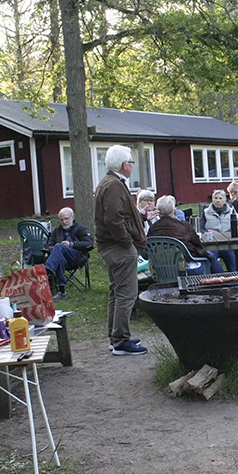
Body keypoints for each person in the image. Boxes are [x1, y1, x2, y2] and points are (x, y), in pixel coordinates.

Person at [94, 145, 148, 356]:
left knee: (116, 293)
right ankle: (121, 341)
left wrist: (140, 217)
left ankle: (115, 337)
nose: (132, 166)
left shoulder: (109, 182)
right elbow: (114, 219)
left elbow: (120, 215)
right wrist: (127, 243)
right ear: (125, 164)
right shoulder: (114, 185)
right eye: (131, 162)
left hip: (112, 246)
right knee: (127, 293)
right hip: (118, 247)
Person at [148, 195, 222, 274]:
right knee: (211, 256)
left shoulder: (152, 230)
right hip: (187, 270)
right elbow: (198, 244)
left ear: (158, 212)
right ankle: (224, 279)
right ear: (174, 211)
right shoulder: (184, 226)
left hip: (161, 272)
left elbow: (147, 253)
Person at [44, 207, 94, 300]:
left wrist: (71, 244)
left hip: (77, 257)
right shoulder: (57, 231)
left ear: (72, 217)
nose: (64, 222)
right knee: (59, 255)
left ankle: (47, 270)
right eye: (61, 219)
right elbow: (49, 245)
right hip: (62, 259)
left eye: (66, 218)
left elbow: (89, 244)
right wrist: (55, 250)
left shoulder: (81, 229)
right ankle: (62, 291)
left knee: (59, 246)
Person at [200, 189, 238, 271]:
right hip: (212, 243)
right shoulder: (205, 212)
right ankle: (220, 275)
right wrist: (207, 235)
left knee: (232, 259)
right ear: (212, 200)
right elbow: (201, 228)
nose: (218, 200)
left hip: (228, 243)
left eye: (220, 198)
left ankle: (235, 276)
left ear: (225, 200)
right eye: (215, 198)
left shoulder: (232, 211)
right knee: (210, 257)